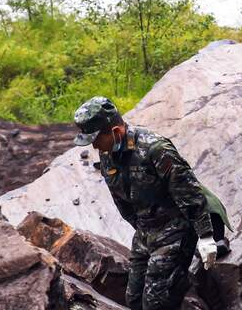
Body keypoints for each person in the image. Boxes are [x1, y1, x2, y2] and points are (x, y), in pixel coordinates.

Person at [73, 97, 219, 310]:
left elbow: (189, 192)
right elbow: (122, 202)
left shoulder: (155, 149)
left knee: (157, 304)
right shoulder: (107, 155)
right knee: (134, 300)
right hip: (144, 233)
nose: (94, 145)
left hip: (174, 232)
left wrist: (205, 235)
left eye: (96, 138)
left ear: (115, 131)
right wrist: (141, 227)